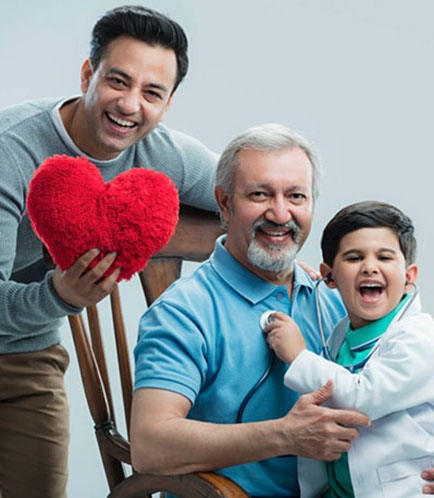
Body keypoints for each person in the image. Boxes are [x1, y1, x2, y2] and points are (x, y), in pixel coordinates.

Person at [0, 6, 219, 498]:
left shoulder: (165, 155)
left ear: (167, 105)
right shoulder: (10, 149)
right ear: (87, 75)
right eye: (118, 81)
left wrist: (288, 264)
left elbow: (246, 198)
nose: (130, 104)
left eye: (152, 93)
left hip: (23, 362)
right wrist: (58, 296)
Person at [131, 123, 373, 497]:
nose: (280, 214)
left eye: (296, 197)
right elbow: (150, 445)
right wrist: (285, 436)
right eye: (260, 194)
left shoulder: (335, 298)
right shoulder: (184, 311)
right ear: (225, 203)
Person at [264, 201, 434, 497]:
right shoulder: (340, 335)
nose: (370, 266)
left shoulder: (418, 337)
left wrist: (297, 356)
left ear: (409, 275)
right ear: (329, 276)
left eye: (384, 257)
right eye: (355, 258)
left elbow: (362, 397)